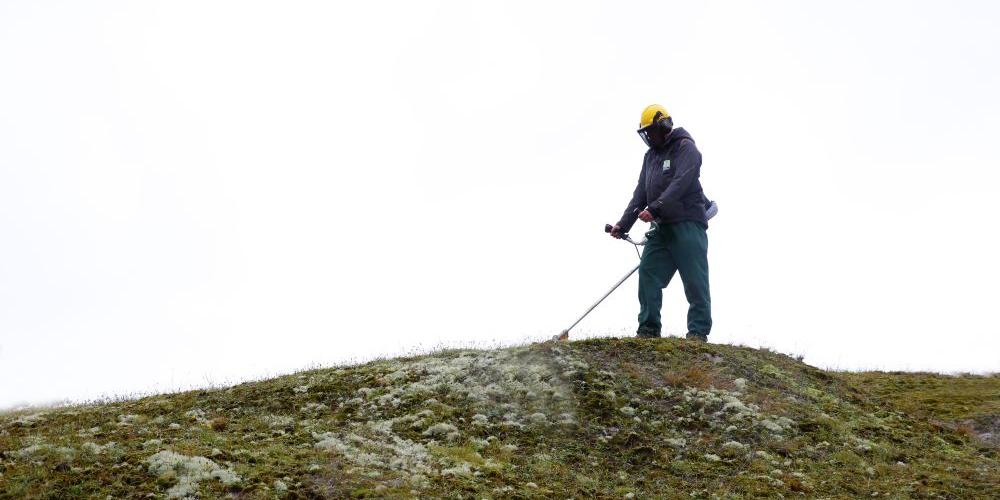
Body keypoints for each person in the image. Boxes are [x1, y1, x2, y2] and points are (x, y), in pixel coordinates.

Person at [610, 104, 713, 342]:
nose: (648, 136)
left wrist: (655, 208)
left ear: (664, 126)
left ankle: (698, 332)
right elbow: (640, 194)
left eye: (651, 131)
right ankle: (648, 329)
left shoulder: (686, 148)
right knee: (648, 273)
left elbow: (681, 182)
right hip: (661, 228)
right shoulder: (650, 157)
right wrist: (623, 225)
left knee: (695, 281)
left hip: (688, 225)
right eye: (645, 133)